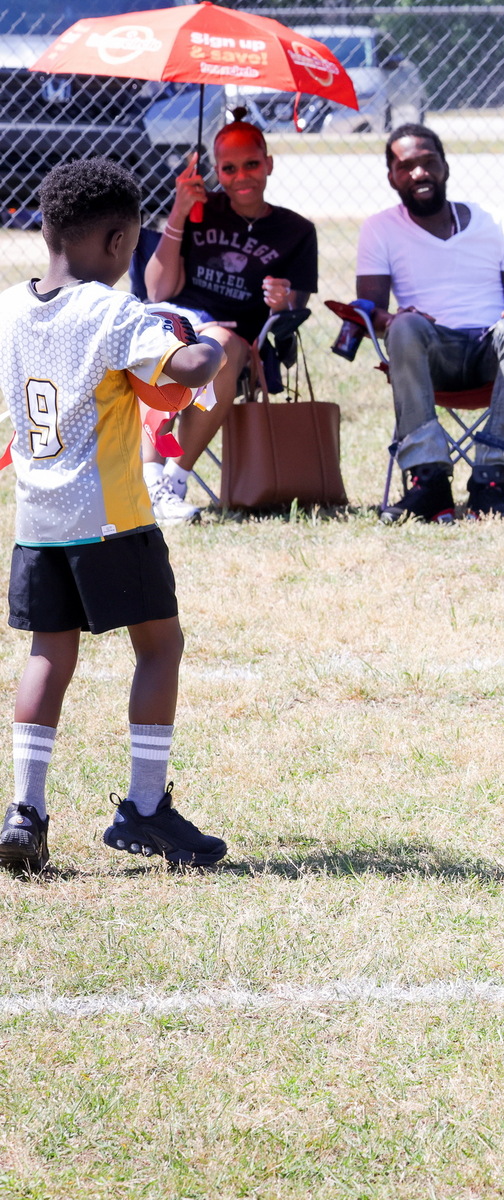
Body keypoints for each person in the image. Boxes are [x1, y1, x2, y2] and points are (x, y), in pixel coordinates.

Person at [0, 160, 228, 873]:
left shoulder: (9, 307)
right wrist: (209, 340)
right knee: (159, 647)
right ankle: (146, 807)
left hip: (38, 520)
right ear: (119, 240)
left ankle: (24, 811)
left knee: (48, 654)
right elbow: (188, 370)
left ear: (47, 229)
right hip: (112, 518)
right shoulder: (111, 311)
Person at [354, 124, 504, 522]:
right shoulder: (379, 228)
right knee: (404, 326)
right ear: (392, 178)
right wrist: (397, 317)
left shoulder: (497, 221)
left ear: (445, 166)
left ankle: (491, 480)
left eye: (428, 162)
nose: (419, 173)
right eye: (406, 167)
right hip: (429, 355)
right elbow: (369, 309)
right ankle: (429, 482)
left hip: (494, 352)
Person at [140, 109, 318, 526]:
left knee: (218, 346)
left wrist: (281, 302)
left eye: (251, 164)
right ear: (216, 170)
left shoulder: (296, 231)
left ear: (268, 163)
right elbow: (157, 292)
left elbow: (293, 313)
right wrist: (179, 212)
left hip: (234, 343)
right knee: (169, 339)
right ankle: (150, 481)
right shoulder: (200, 209)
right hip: (178, 321)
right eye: (229, 168)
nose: (241, 177)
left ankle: (173, 481)